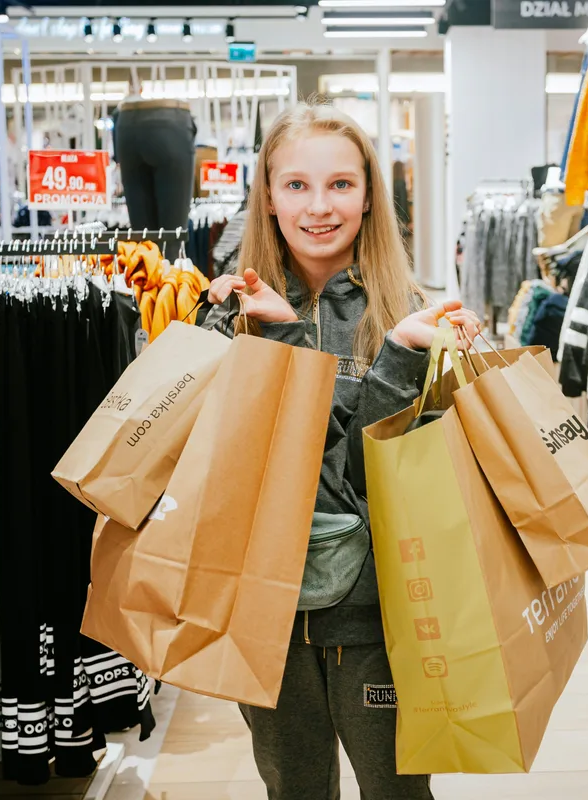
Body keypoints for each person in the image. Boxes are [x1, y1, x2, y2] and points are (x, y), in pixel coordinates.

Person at [200, 101, 480, 799]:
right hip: (264, 616)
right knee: (293, 788)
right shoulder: (227, 314)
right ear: (266, 196)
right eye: (296, 185)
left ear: (368, 196)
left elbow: (370, 481)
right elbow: (233, 470)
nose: (318, 207)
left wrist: (396, 357)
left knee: (397, 792)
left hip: (380, 618)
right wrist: (280, 335)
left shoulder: (411, 313)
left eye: (340, 185)